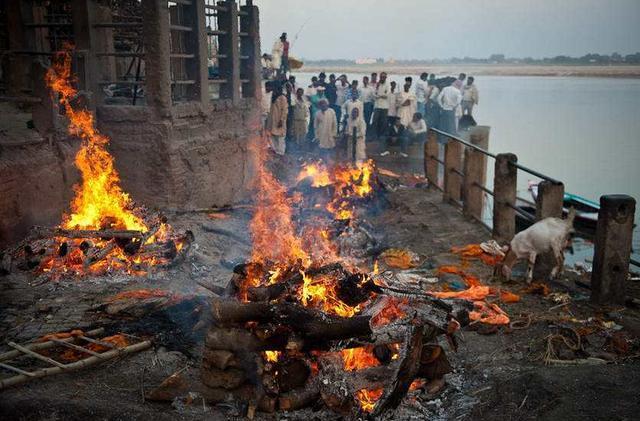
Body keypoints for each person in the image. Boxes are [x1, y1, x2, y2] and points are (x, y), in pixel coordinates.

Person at [268, 84, 288, 155]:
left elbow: (285, 110)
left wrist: (281, 120)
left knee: (280, 138)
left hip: (279, 121)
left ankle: (281, 153)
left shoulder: (282, 98)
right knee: (273, 136)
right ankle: (275, 152)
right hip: (273, 121)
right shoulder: (273, 97)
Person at [372, 71, 390, 140]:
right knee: (375, 121)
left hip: (384, 106)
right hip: (377, 106)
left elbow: (387, 95)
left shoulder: (387, 85)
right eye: (381, 77)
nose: (382, 78)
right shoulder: (377, 84)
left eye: (384, 77)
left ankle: (381, 136)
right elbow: (373, 95)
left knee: (383, 122)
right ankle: (374, 136)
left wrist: (379, 95)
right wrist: (377, 89)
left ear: (386, 77)